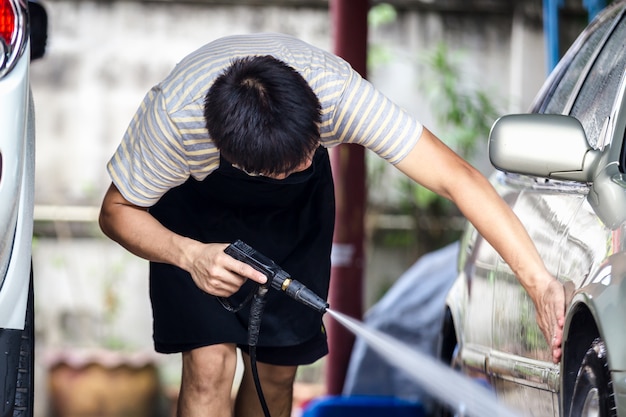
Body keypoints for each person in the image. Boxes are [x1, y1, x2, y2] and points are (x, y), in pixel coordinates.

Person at [98, 33, 565, 417]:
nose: (307, 159)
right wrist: (190, 255)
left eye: (311, 150)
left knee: (276, 372)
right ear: (243, 160)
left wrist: (539, 281)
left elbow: (456, 180)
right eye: (291, 164)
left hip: (295, 216)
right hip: (195, 221)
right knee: (209, 367)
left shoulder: (338, 93)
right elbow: (115, 211)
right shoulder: (175, 121)